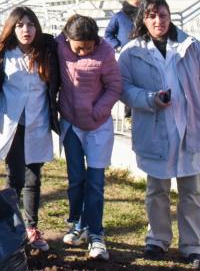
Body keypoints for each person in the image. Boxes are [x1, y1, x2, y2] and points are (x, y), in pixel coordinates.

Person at [118, 0, 200, 269]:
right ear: (144, 19)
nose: (158, 21)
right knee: (157, 190)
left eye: (163, 15)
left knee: (191, 191)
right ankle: (157, 240)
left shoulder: (192, 47)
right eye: (152, 16)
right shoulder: (132, 51)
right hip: (154, 129)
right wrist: (150, 100)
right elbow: (124, 89)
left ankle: (193, 246)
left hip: (189, 128)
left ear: (170, 17)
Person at [0, 7, 60, 252]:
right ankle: (12, 227)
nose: (26, 30)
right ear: (12, 28)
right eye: (20, 25)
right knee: (15, 177)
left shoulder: (47, 52)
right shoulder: (4, 55)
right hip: (12, 125)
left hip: (38, 122)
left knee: (34, 177)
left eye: (31, 24)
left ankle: (31, 228)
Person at [56, 14, 122, 262]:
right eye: (78, 48)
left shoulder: (105, 53)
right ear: (67, 39)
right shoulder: (59, 46)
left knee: (95, 183)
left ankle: (96, 233)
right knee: (75, 179)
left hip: (97, 127)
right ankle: (76, 224)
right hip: (72, 125)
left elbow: (115, 87)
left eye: (88, 47)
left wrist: (97, 111)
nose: (83, 52)